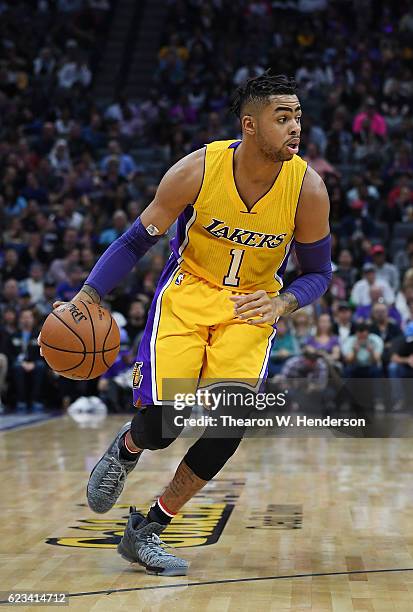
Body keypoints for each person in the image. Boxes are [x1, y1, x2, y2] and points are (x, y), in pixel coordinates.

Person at [39, 73, 332, 575]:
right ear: (250, 124)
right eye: (282, 117)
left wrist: (283, 303)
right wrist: (89, 293)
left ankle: (148, 529)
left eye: (298, 117)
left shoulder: (308, 189)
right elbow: (135, 240)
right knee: (164, 425)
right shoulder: (197, 170)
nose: (294, 127)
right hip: (187, 296)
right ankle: (129, 446)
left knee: (232, 421)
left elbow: (320, 273)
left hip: (250, 309)